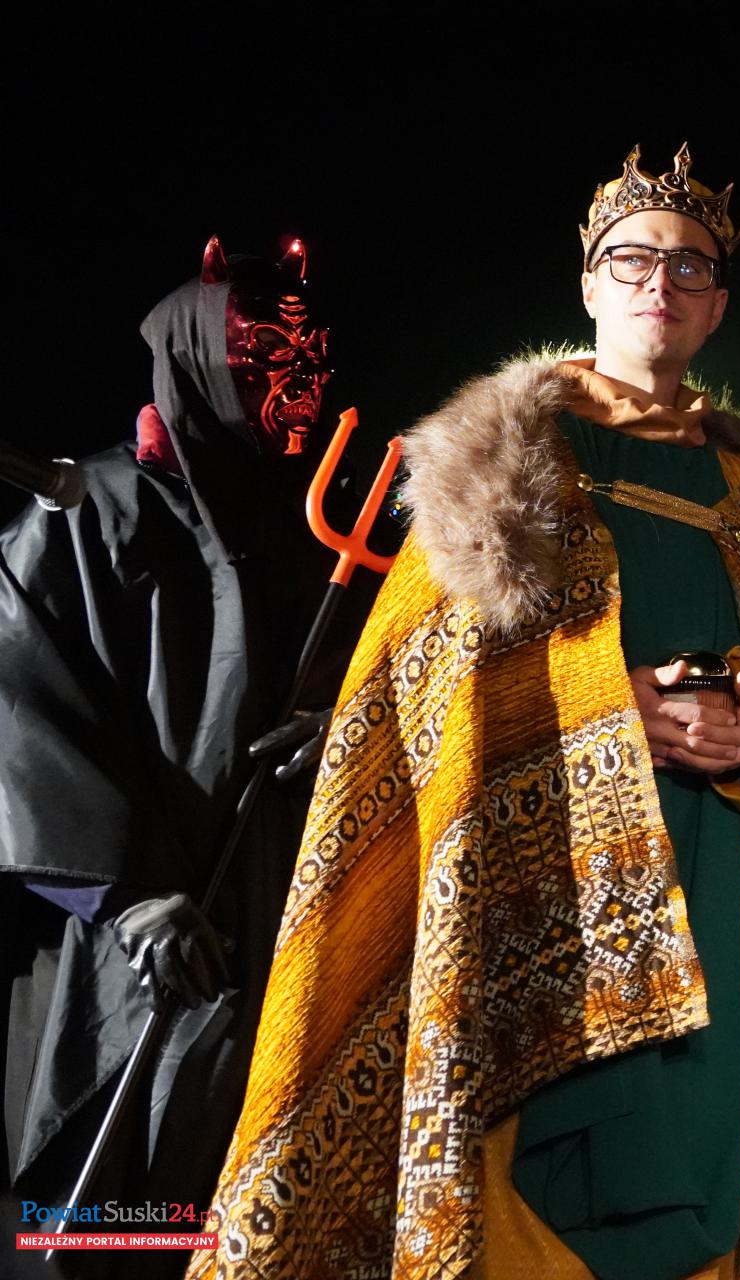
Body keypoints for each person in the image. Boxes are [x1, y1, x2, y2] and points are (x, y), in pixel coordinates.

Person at [193, 144, 740, 1280]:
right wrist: (603, 712)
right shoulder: (503, 463)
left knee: (700, 1167)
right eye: (633, 259)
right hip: (544, 887)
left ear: (718, 306)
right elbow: (426, 694)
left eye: (690, 266)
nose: (660, 281)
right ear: (590, 285)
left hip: (712, 883)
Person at [1, 239, 337, 1278]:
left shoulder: (318, 526)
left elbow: (388, 674)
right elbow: (22, 702)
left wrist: (346, 727)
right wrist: (125, 893)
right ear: (198, 356)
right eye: (268, 353)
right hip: (126, 933)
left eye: (312, 355)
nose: (299, 378)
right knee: (116, 1203)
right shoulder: (89, 511)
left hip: (278, 903)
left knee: (249, 1188)